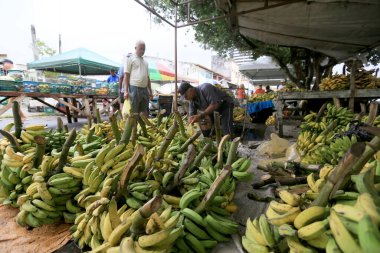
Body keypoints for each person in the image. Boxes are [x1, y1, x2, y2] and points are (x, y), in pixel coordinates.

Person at [123, 41, 152, 115]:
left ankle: (142, 126)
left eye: (144, 49)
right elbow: (126, 75)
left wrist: (150, 91)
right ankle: (133, 126)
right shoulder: (130, 58)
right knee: (134, 112)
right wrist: (126, 91)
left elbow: (148, 78)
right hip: (134, 88)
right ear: (135, 48)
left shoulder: (145, 62)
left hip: (144, 89)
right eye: (141, 49)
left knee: (143, 112)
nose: (142, 51)